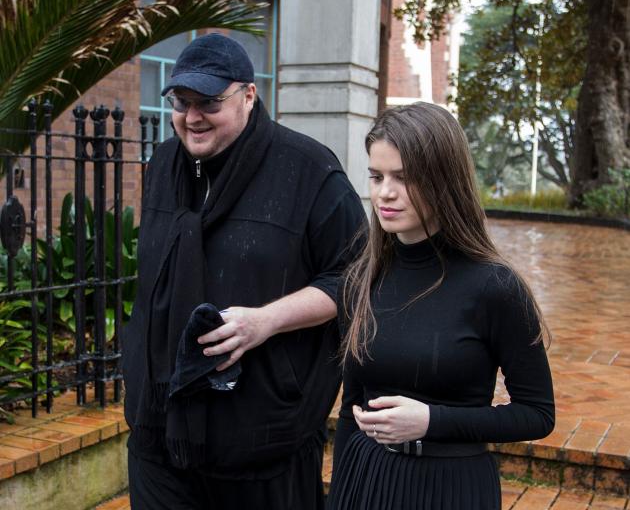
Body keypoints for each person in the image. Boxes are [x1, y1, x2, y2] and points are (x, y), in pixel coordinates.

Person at [121, 33, 365, 509]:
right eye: (181, 101)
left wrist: (264, 322)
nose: (192, 117)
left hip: (262, 442)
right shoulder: (166, 162)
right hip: (159, 433)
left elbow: (355, 280)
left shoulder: (310, 171)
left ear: (249, 95)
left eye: (209, 102)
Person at [327, 102, 555, 510]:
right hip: (367, 481)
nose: (385, 193)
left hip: (452, 487)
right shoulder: (361, 281)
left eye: (403, 177)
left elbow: (537, 414)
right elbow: (352, 409)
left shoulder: (494, 286)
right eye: (377, 177)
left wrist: (432, 421)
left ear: (443, 180)